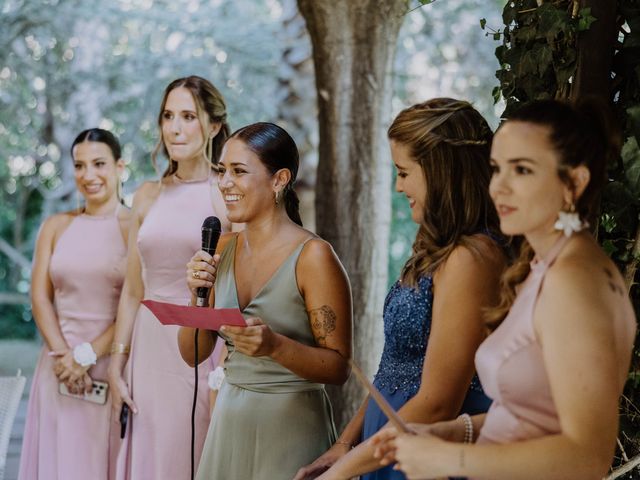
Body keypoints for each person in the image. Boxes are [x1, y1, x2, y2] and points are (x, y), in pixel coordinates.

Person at [370, 98, 637, 480]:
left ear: (574, 182)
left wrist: (447, 460)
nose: (501, 187)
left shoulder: (574, 281)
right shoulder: (547, 265)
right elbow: (533, 416)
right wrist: (455, 431)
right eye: (497, 169)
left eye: (523, 170)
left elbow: (587, 456)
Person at [295, 98, 506, 480]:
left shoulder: (472, 258)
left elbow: (439, 402)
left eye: (404, 172)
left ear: (441, 172)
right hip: (386, 444)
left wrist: (343, 471)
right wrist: (346, 444)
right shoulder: (435, 247)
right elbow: (392, 366)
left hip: (427, 455)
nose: (397, 186)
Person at [178, 122, 353, 480]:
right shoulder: (221, 248)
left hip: (290, 429)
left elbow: (339, 368)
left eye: (239, 171)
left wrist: (274, 345)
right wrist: (196, 294)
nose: (225, 182)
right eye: (222, 171)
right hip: (228, 424)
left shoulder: (314, 256)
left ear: (279, 179)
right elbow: (192, 353)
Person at [107, 75, 231, 479]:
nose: (175, 127)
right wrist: (117, 361)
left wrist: (223, 369)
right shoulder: (146, 195)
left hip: (200, 349)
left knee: (188, 455)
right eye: (168, 116)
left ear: (213, 126)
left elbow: (236, 291)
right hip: (147, 349)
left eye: (188, 116)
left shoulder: (227, 195)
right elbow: (131, 290)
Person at [18, 128, 129, 480]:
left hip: (110, 366)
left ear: (119, 167)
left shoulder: (134, 227)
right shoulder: (55, 226)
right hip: (57, 368)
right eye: (79, 166)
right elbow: (39, 297)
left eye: (99, 164)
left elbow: (136, 303)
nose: (88, 175)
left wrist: (87, 356)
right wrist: (64, 355)